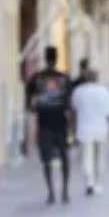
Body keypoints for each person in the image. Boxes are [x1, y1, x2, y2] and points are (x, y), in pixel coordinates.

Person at [26, 46, 73, 205]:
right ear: (57, 58)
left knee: (46, 159)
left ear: (45, 58)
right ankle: (65, 191)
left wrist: (34, 107)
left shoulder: (36, 78)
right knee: (64, 157)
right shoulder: (64, 78)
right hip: (60, 123)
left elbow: (29, 101)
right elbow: (69, 103)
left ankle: (51, 192)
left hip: (44, 123)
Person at [69, 69, 109, 196]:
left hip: (84, 128)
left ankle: (89, 182)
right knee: (100, 156)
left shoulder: (78, 92)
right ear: (97, 78)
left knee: (86, 157)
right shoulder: (104, 92)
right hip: (101, 128)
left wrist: (72, 130)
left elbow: (73, 113)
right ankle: (97, 182)